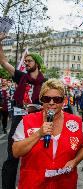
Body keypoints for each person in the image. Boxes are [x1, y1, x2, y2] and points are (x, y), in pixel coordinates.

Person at [12, 78, 83, 189]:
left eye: (57, 99)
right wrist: (38, 134)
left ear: (64, 101)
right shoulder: (27, 121)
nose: (51, 103)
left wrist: (75, 161)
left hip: (65, 184)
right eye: (47, 99)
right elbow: (16, 152)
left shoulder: (76, 122)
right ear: (41, 99)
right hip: (33, 184)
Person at [0, 32, 47, 189]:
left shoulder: (46, 82)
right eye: (25, 61)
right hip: (18, 120)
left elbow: (52, 103)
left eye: (29, 61)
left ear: (37, 63)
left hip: (36, 122)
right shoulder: (20, 76)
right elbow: (3, 61)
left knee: (36, 157)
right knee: (12, 157)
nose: (26, 63)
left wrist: (37, 107)